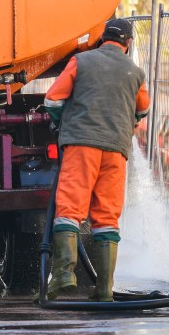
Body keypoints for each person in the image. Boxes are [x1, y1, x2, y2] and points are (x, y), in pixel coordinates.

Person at [43, 18, 150, 301]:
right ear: (127, 43)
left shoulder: (81, 61)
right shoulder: (135, 72)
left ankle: (64, 274)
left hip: (81, 145)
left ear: (103, 38)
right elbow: (142, 111)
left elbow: (52, 100)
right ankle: (104, 289)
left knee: (69, 207)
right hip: (116, 149)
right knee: (107, 215)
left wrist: (63, 123)